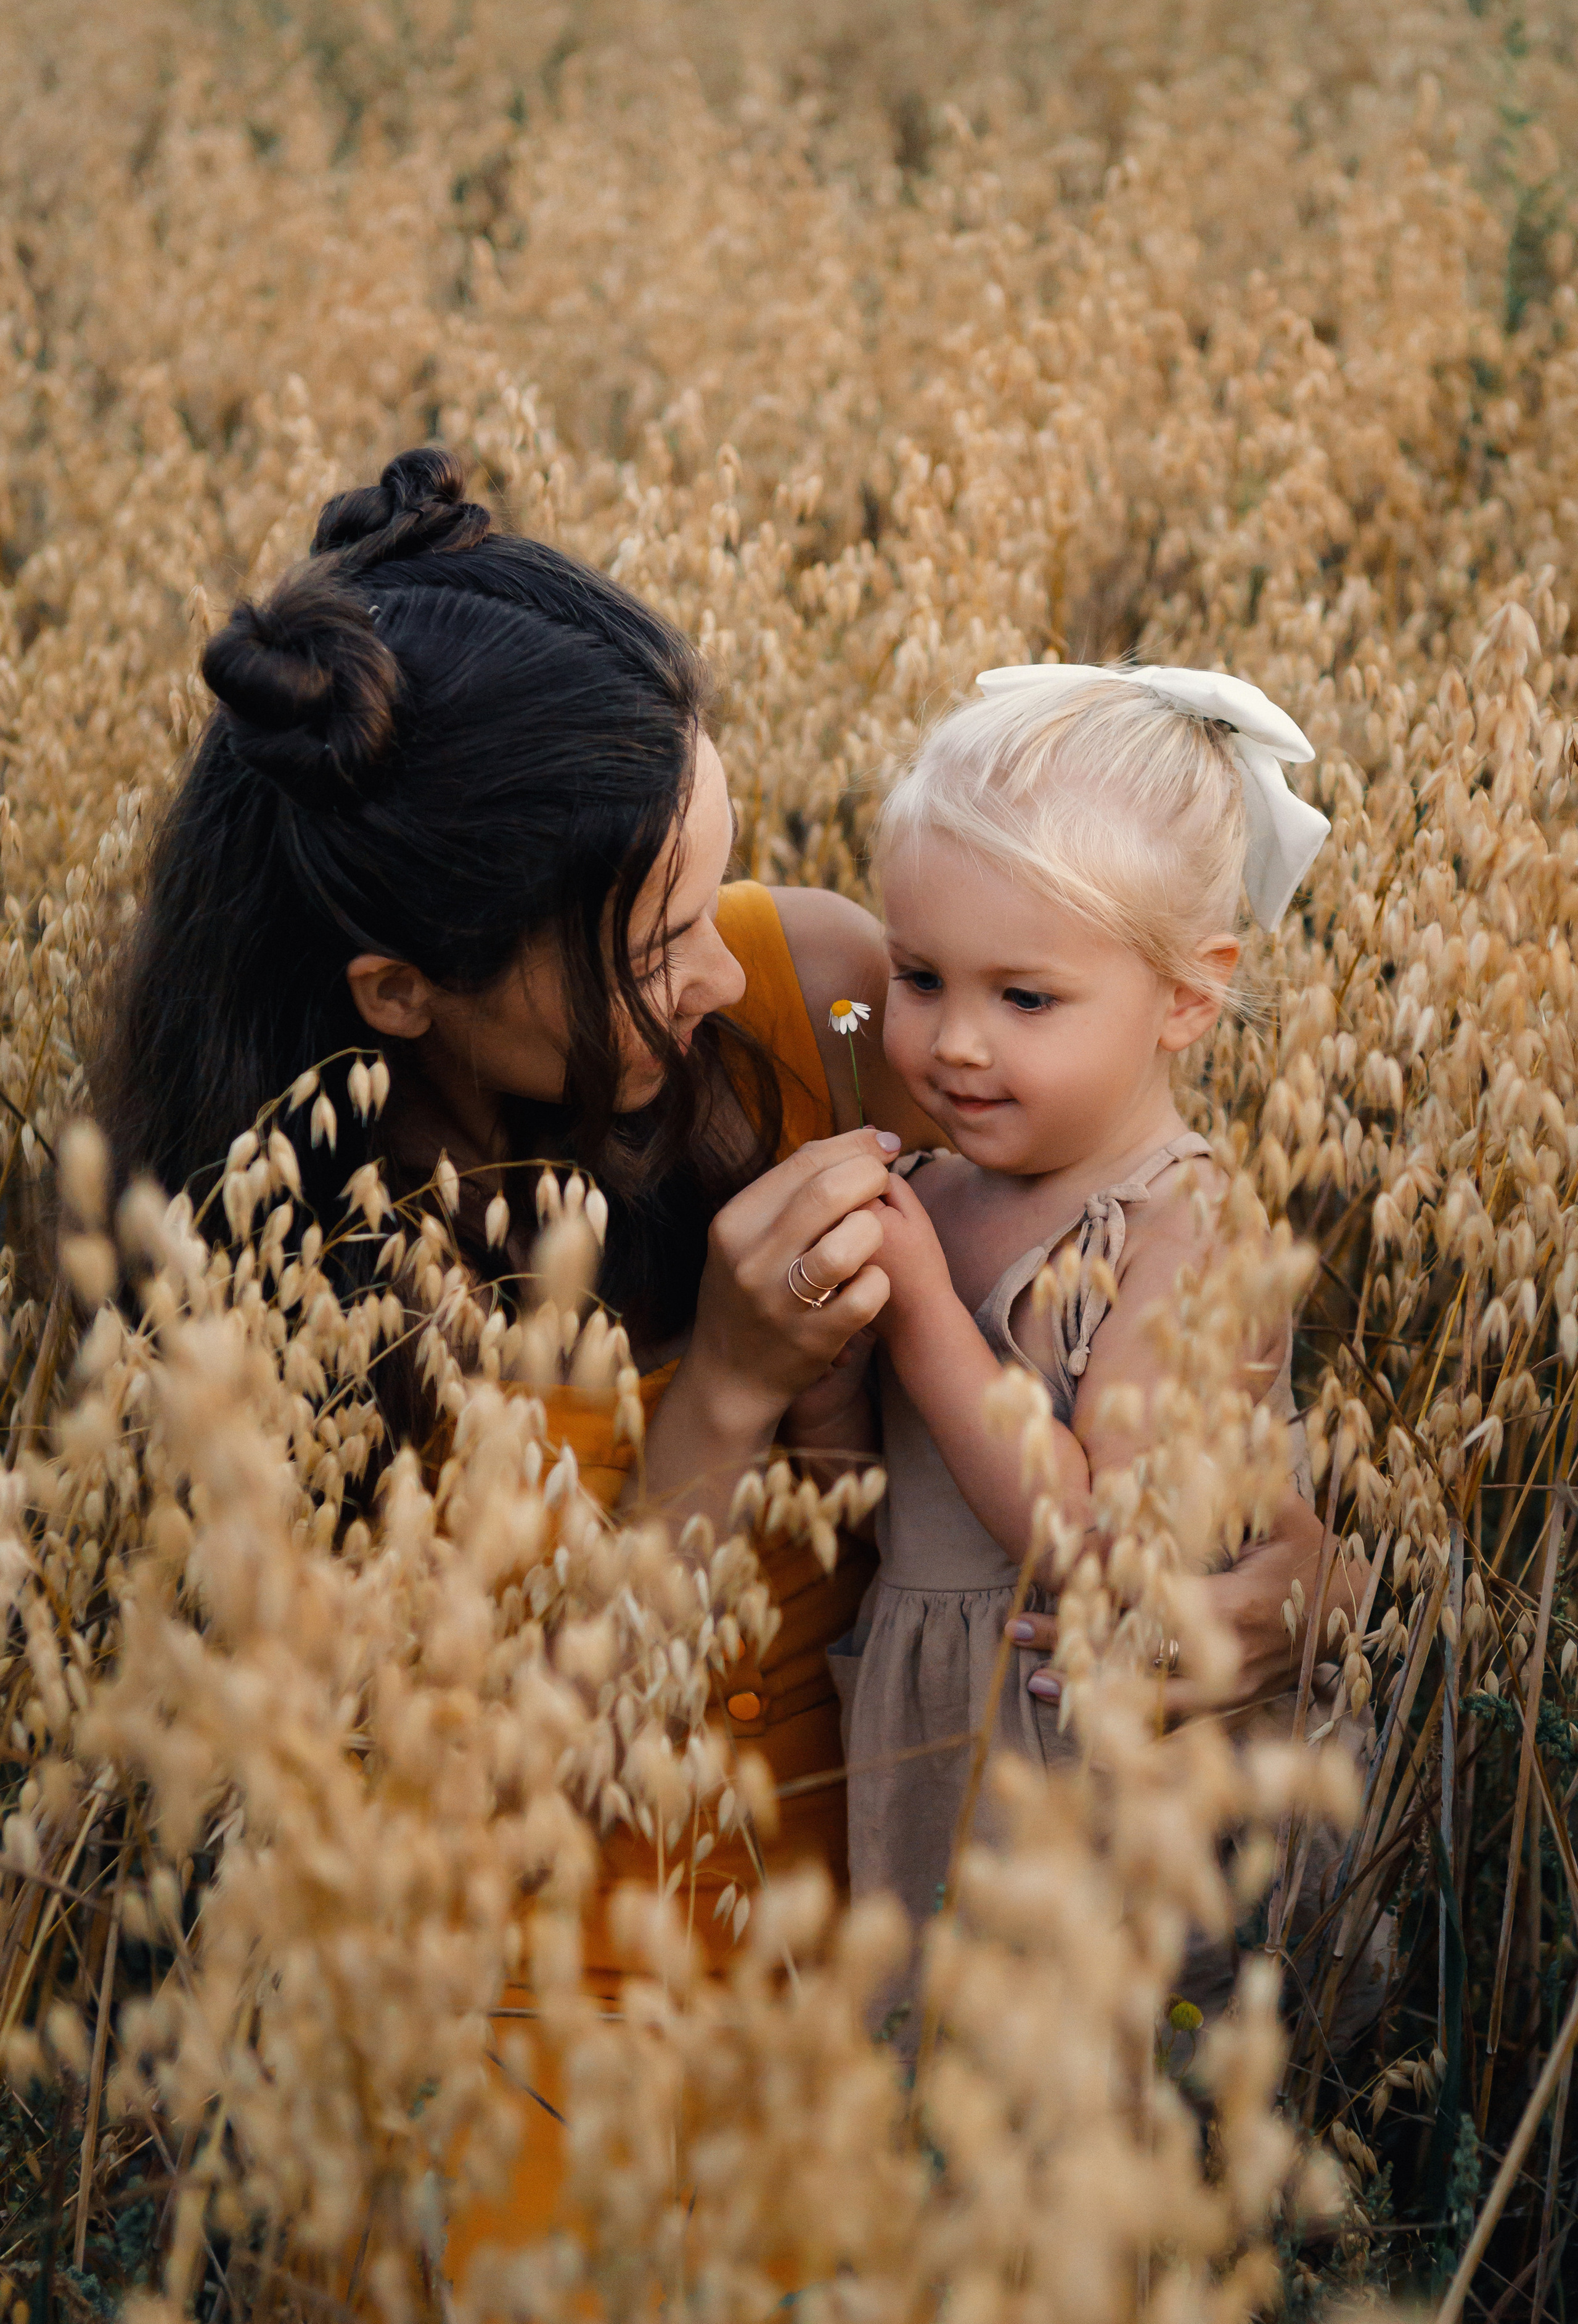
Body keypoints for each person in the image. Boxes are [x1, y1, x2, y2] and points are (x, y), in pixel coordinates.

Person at [92, 461, 1345, 2256]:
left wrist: (1289, 1577)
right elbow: (461, 1801)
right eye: (656, 935)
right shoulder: (278, 1287)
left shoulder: (820, 998)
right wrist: (730, 1398)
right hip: (537, 2058)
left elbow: (1141, 1254)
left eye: (716, 874)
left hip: (895, 1972)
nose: (724, 962)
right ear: (400, 994)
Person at [785, 662, 1373, 2036]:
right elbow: (854, 1502)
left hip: (1084, 1748)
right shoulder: (928, 1189)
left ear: (1185, 999)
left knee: (1085, 2108)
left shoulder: (1189, 1220)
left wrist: (920, 1312)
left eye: (1026, 999)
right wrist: (822, 1371)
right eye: (919, 979)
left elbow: (1101, 1538)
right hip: (931, 1722)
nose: (955, 1042)